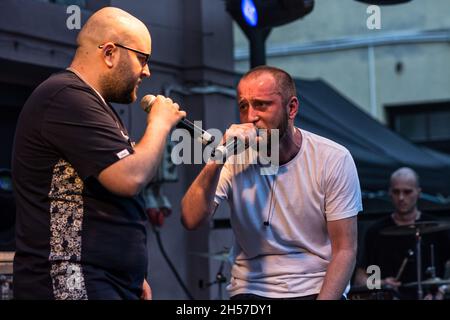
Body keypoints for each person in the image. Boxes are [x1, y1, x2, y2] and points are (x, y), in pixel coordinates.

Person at [12, 7, 185, 300]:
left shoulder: (94, 105)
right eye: (142, 59)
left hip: (104, 279)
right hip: (69, 278)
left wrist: (129, 274)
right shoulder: (65, 96)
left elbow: (105, 199)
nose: (147, 71)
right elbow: (129, 177)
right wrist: (159, 123)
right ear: (109, 53)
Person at [181, 65, 362, 300]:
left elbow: (345, 250)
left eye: (262, 105)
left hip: (315, 287)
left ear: (292, 108)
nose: (251, 117)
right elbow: (190, 218)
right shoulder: (233, 157)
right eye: (244, 106)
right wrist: (218, 157)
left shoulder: (333, 158)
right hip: (251, 289)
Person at [354, 167, 450, 300]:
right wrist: (381, 284)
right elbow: (360, 279)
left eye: (407, 192)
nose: (401, 197)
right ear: (389, 193)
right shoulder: (376, 232)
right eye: (396, 192)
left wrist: (443, 290)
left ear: (418, 192)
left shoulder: (438, 229)